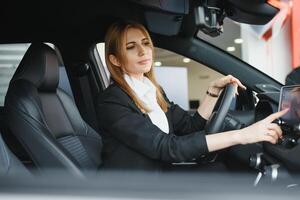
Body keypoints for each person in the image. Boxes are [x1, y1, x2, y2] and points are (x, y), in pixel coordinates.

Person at [96, 21, 288, 171]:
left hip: (160, 173)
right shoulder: (112, 100)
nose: (142, 50)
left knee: (220, 170)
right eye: (130, 47)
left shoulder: (153, 91)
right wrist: (241, 135)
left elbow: (190, 127)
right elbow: (166, 148)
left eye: (145, 43)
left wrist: (212, 92)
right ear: (115, 59)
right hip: (132, 187)